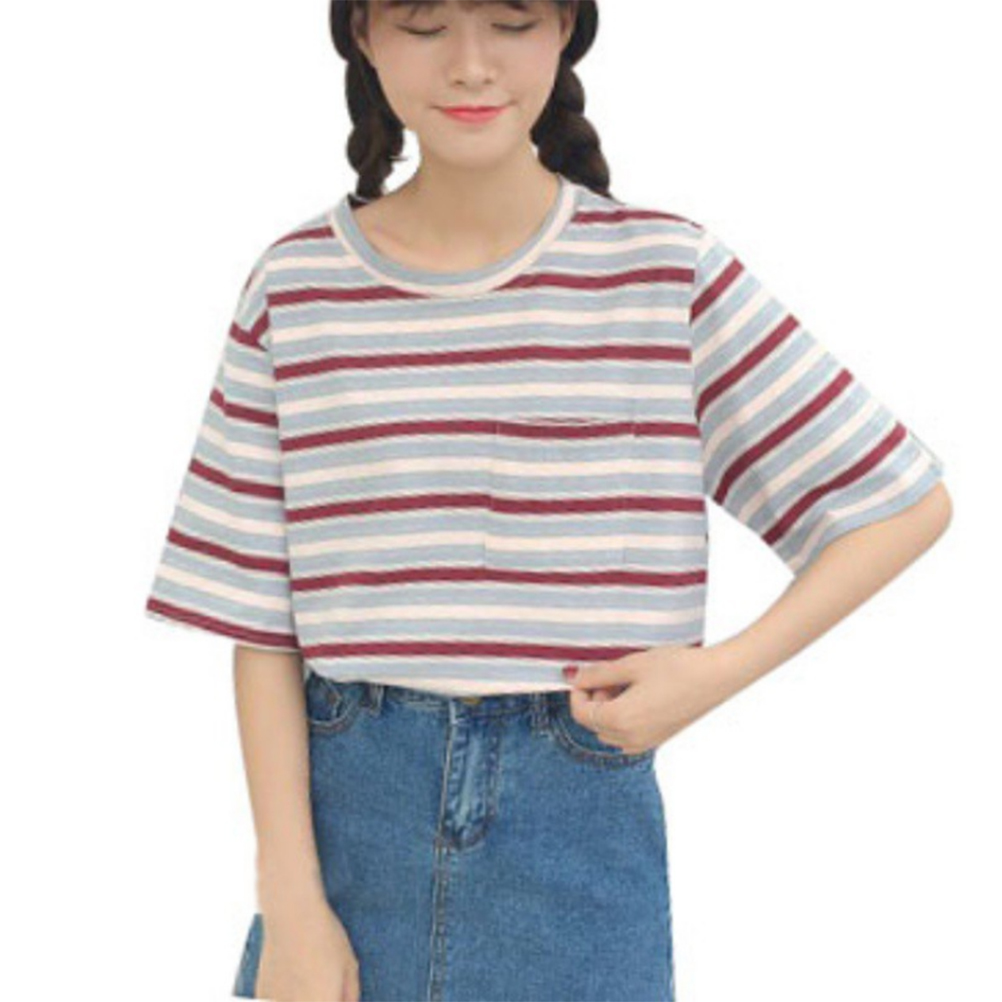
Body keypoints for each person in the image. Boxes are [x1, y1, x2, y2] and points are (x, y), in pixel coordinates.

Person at [143, 2, 952, 999]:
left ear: (566, 28)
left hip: (578, 839)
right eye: (424, 26)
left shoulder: (664, 275)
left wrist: (715, 677)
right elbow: (260, 627)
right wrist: (290, 903)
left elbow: (897, 504)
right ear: (362, 35)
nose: (471, 65)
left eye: (513, 21)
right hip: (347, 838)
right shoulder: (295, 287)